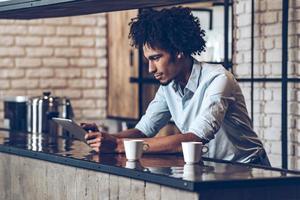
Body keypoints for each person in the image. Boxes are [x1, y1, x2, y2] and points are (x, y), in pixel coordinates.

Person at [84, 7, 270, 166]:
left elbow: (194, 139)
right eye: (148, 60)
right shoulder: (169, 87)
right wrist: (106, 138)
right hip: (215, 168)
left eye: (156, 58)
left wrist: (119, 145)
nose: (150, 68)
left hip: (250, 169)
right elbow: (143, 130)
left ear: (179, 51)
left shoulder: (218, 79)